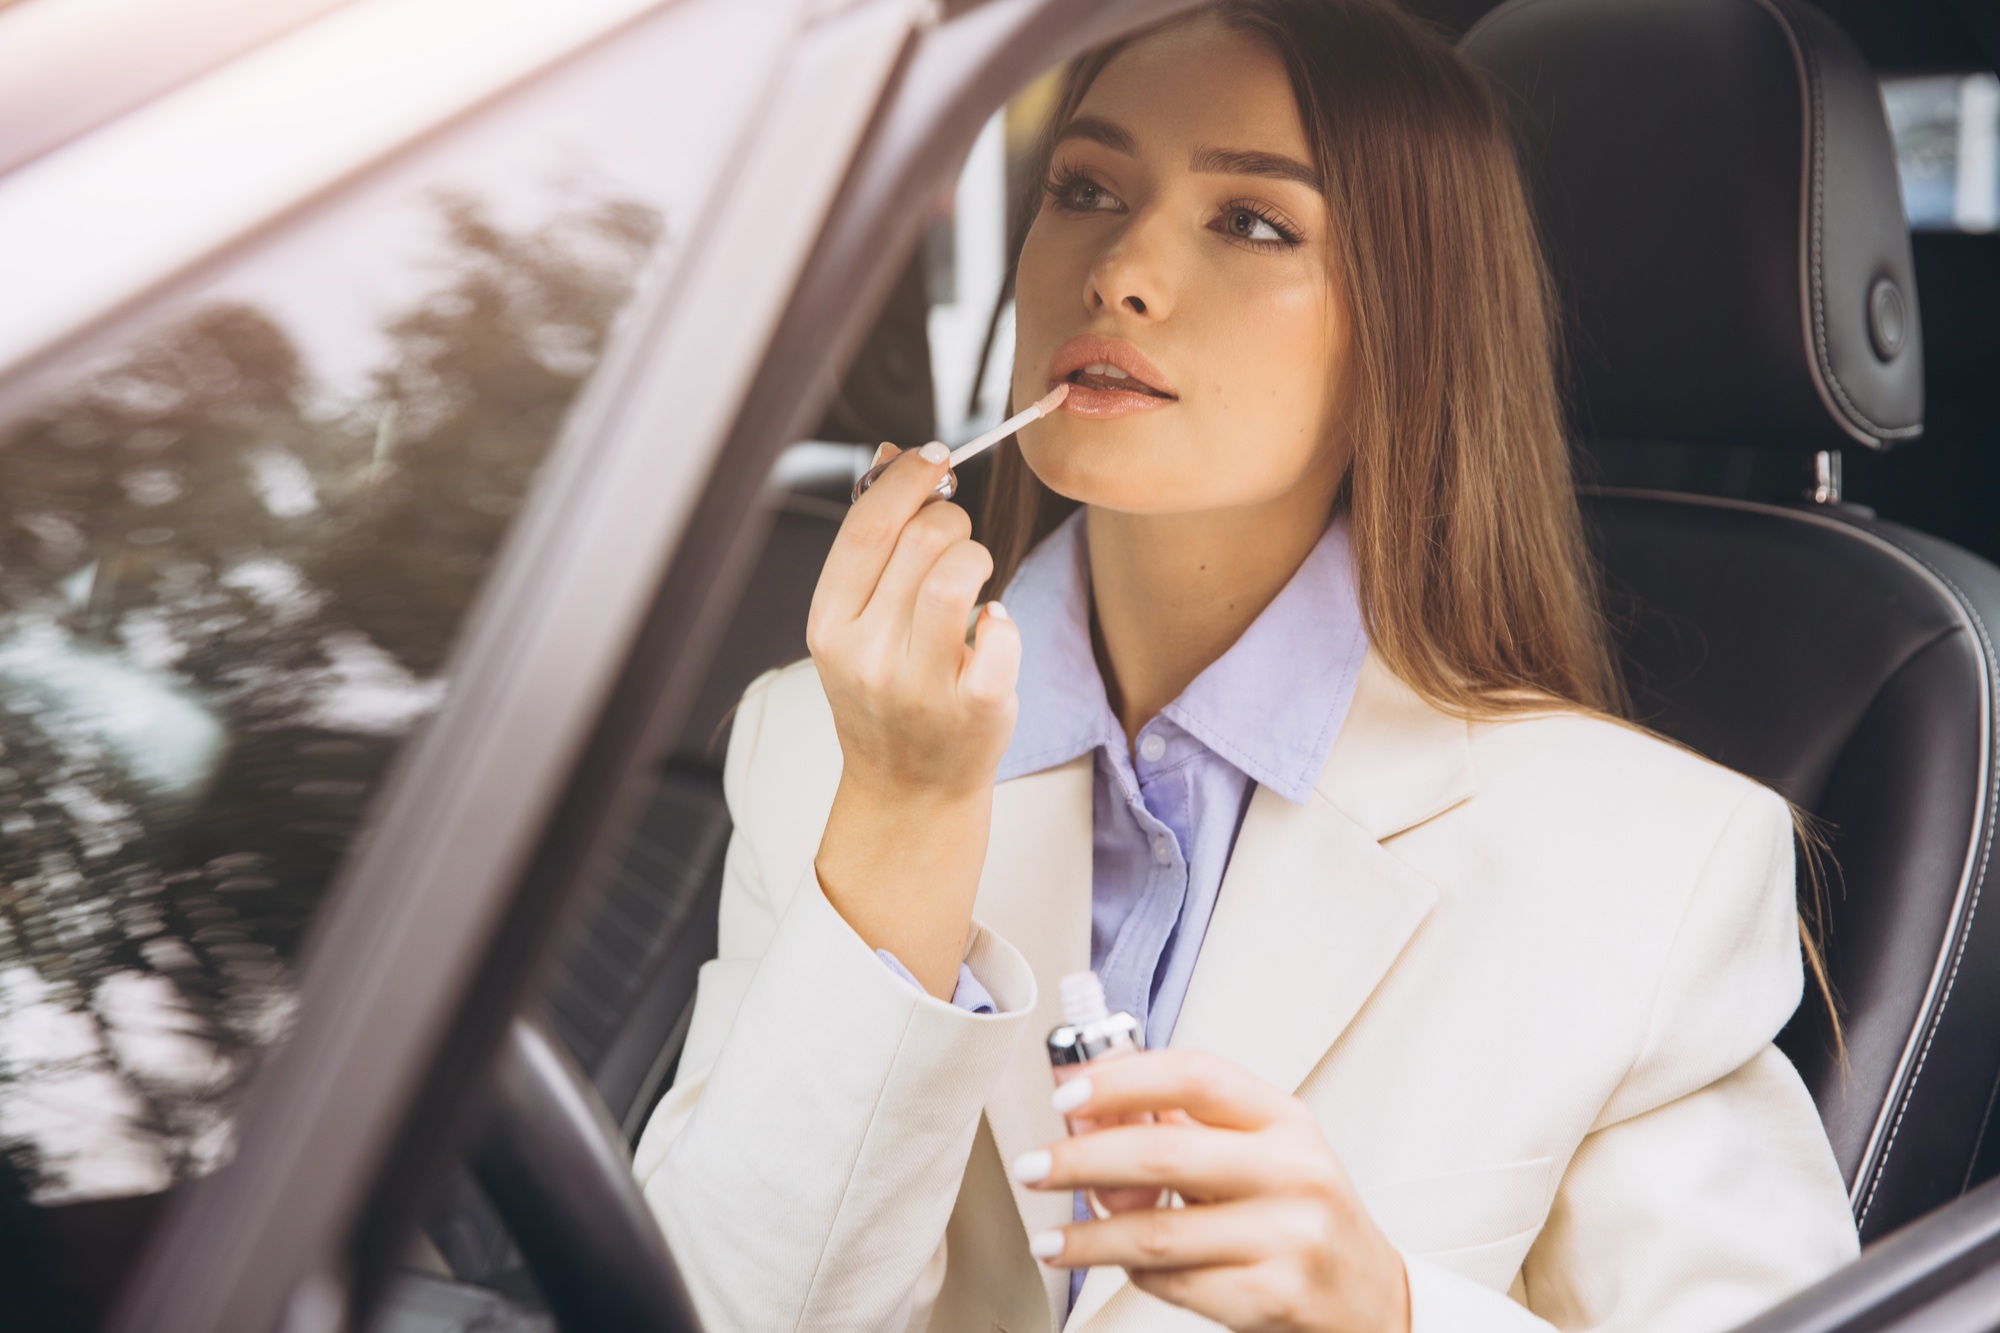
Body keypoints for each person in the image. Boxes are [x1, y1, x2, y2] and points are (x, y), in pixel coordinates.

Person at [633, 1, 1858, 1328]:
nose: (1123, 272)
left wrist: (1386, 1308)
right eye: (1087, 189)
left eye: (1253, 221)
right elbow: (715, 1310)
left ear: (1411, 324)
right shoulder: (820, 744)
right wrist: (906, 817)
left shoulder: (1654, 870)